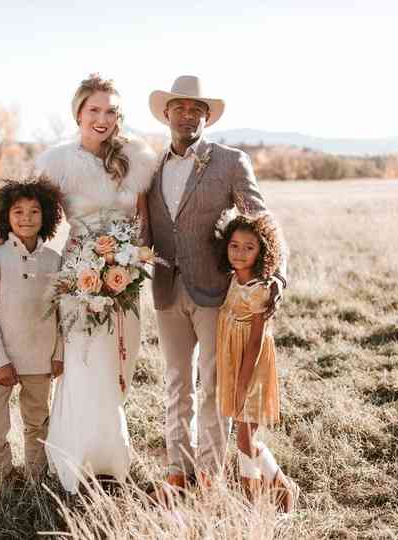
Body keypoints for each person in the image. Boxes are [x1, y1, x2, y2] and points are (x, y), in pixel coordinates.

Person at [0, 74, 158, 494]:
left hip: (125, 274)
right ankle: (73, 456)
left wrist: (135, 261)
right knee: (82, 364)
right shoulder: (57, 162)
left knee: (119, 363)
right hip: (80, 274)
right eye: (93, 109)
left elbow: (146, 221)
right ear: (78, 112)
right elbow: (25, 210)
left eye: (110, 110)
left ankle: (112, 452)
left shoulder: (137, 158)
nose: (102, 118)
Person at [142, 75, 288, 493]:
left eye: (196, 110)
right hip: (166, 290)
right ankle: (177, 468)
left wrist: (275, 275)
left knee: (212, 384)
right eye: (180, 108)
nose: (187, 115)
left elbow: (262, 221)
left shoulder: (229, 161)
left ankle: (208, 473)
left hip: (214, 293)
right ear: (166, 114)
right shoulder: (150, 167)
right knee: (176, 381)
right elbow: (144, 225)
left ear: (206, 117)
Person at [0, 179, 64, 480]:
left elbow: (62, 314)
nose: (26, 218)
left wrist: (59, 353)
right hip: (0, 359)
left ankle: (37, 476)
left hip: (40, 359)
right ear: (5, 217)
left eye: (34, 212)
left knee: (37, 421)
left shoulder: (54, 260)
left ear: (46, 216)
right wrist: (0, 360)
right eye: (18, 212)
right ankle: (4, 476)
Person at [214, 208, 298, 512]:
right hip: (232, 362)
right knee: (245, 438)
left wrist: (241, 384)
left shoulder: (261, 289)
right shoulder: (232, 280)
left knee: (245, 440)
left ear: (262, 251)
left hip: (251, 367)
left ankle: (280, 486)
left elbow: (255, 343)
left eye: (249, 248)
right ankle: (256, 497)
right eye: (234, 246)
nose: (239, 253)